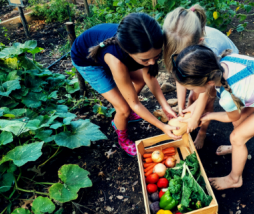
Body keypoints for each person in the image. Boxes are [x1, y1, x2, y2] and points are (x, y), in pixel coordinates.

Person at [171, 45, 254, 190]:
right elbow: (207, 92)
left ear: (208, 82)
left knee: (236, 137)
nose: (191, 91)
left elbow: (231, 117)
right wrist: (192, 111)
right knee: (240, 124)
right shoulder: (221, 65)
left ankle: (234, 179)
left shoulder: (228, 96)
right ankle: (237, 149)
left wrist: (208, 116)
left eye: (192, 88)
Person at [70, 13, 179, 156]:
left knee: (139, 81)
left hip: (107, 54)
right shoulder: (117, 61)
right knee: (124, 108)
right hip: (87, 61)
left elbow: (149, 78)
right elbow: (135, 104)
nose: (152, 62)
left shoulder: (145, 45)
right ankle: (123, 139)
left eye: (156, 56)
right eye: (145, 60)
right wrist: (162, 126)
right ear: (129, 52)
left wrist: (165, 106)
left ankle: (126, 111)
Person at [162, 4, 239, 149]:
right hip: (202, 68)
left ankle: (202, 133)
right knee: (192, 98)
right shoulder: (183, 43)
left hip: (222, 67)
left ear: (199, 42)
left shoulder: (210, 50)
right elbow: (181, 76)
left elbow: (207, 93)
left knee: (205, 101)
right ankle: (190, 121)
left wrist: (196, 116)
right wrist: (181, 106)